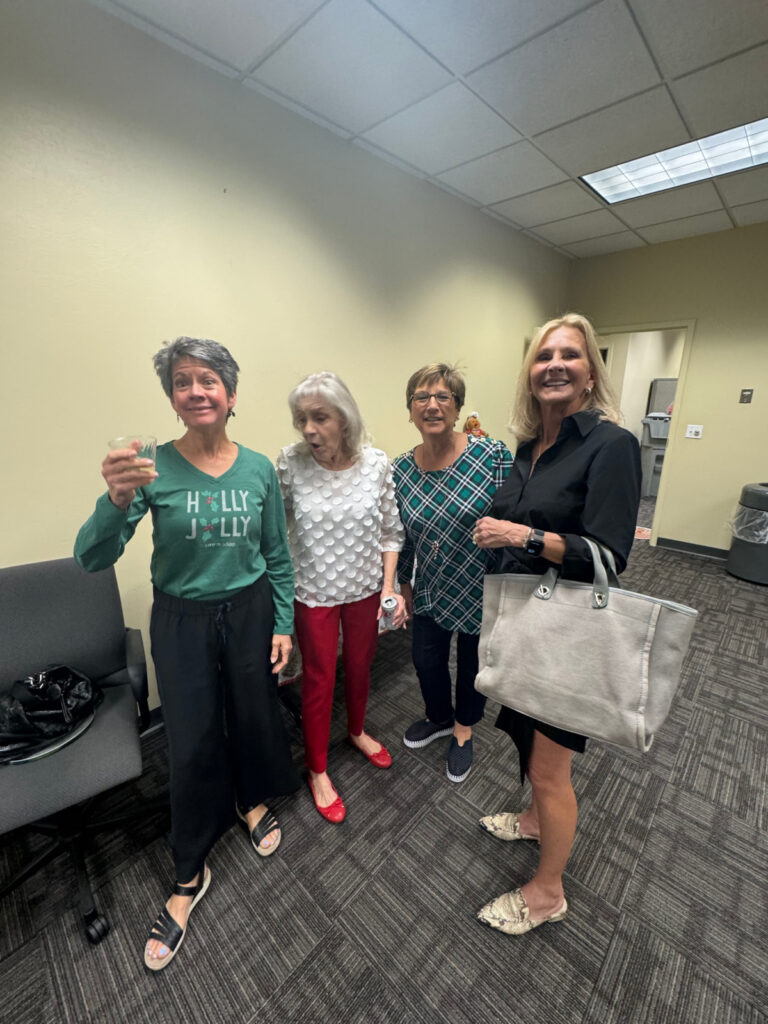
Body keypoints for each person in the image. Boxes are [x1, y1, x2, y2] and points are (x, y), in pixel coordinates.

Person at [74, 337, 300, 971]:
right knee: (192, 738)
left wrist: (282, 623)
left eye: (208, 380)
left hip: (251, 608)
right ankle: (187, 872)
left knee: (254, 712)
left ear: (230, 394)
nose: (195, 390)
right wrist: (116, 500)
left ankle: (250, 798)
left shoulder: (258, 468)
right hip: (182, 619)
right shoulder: (150, 467)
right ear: (173, 400)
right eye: (182, 382)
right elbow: (92, 557)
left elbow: (278, 557)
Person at [473, 312, 641, 936]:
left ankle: (547, 892)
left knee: (550, 768)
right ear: (530, 372)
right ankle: (536, 822)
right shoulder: (526, 448)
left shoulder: (612, 445)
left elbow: (606, 555)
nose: (556, 365)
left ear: (590, 374)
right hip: (524, 622)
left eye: (571, 355)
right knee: (522, 736)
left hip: (569, 631)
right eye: (545, 355)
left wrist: (524, 534)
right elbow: (515, 516)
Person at [277, 372, 407, 824]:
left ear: (344, 418)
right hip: (313, 592)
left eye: (319, 418)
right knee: (318, 679)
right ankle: (317, 769)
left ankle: (355, 730)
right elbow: (274, 534)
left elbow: (392, 531)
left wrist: (389, 586)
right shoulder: (290, 464)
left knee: (358, 667)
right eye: (301, 419)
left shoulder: (376, 463)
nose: (308, 429)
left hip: (367, 589)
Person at [393, 364, 513, 784]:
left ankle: (463, 729)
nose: (432, 405)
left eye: (443, 396)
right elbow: (402, 535)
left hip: (481, 582)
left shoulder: (492, 454)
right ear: (409, 410)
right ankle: (439, 717)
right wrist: (403, 587)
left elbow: (511, 518)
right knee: (425, 659)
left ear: (458, 407)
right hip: (431, 585)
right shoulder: (401, 471)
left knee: (472, 664)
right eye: (421, 397)